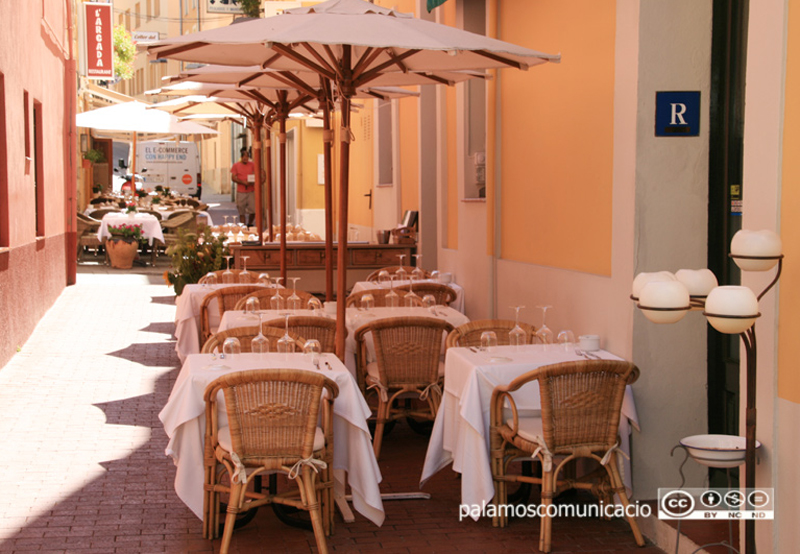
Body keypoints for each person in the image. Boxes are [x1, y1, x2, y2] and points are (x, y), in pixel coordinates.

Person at [231, 147, 255, 226]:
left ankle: (250, 224)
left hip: (251, 191)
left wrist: (253, 181)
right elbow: (233, 177)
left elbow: (257, 174)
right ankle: (243, 226)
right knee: (241, 211)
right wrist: (242, 182)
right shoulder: (236, 165)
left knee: (253, 210)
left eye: (247, 157)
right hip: (241, 191)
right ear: (241, 157)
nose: (245, 158)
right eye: (244, 157)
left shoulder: (252, 165)